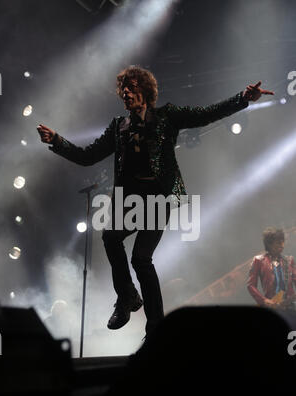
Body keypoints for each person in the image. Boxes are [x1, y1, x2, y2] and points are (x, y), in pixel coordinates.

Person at [37, 66, 274, 339]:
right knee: (111, 237)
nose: (126, 92)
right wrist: (57, 141)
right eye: (123, 88)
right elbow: (88, 155)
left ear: (145, 91)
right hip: (129, 201)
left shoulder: (166, 116)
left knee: (140, 259)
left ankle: (156, 330)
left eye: (132, 86)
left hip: (158, 199)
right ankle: (126, 297)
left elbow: (207, 114)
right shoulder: (119, 126)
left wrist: (242, 98)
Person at [247, 227, 296, 309]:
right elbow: (251, 285)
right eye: (278, 242)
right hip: (272, 305)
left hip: (291, 307)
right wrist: (264, 300)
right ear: (269, 244)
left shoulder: (289, 260)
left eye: (283, 242)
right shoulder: (258, 260)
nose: (282, 245)